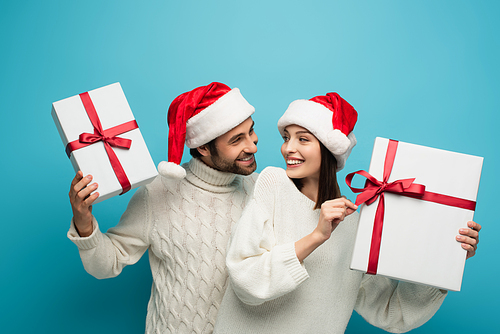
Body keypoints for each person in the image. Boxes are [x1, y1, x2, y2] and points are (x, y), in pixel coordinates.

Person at [213, 92, 481, 334]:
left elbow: (391, 311)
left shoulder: (353, 225)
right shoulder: (273, 183)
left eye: (302, 139)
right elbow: (245, 279)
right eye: (286, 138)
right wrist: (317, 236)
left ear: (329, 150)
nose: (288, 148)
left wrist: (449, 260)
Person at [68, 82, 259, 333]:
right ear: (203, 147)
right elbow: (106, 265)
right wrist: (83, 221)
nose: (253, 145)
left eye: (251, 131)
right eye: (237, 140)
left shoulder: (261, 189)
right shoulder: (157, 193)